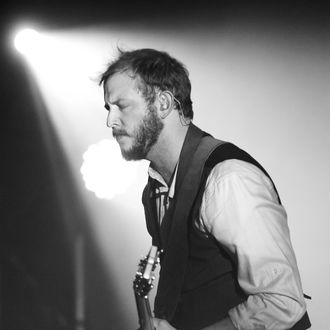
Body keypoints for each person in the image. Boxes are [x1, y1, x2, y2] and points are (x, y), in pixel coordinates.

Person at [98, 48, 311, 330]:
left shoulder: (228, 179)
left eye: (121, 106)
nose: (110, 122)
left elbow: (282, 303)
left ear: (163, 103)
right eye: (108, 109)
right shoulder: (154, 192)